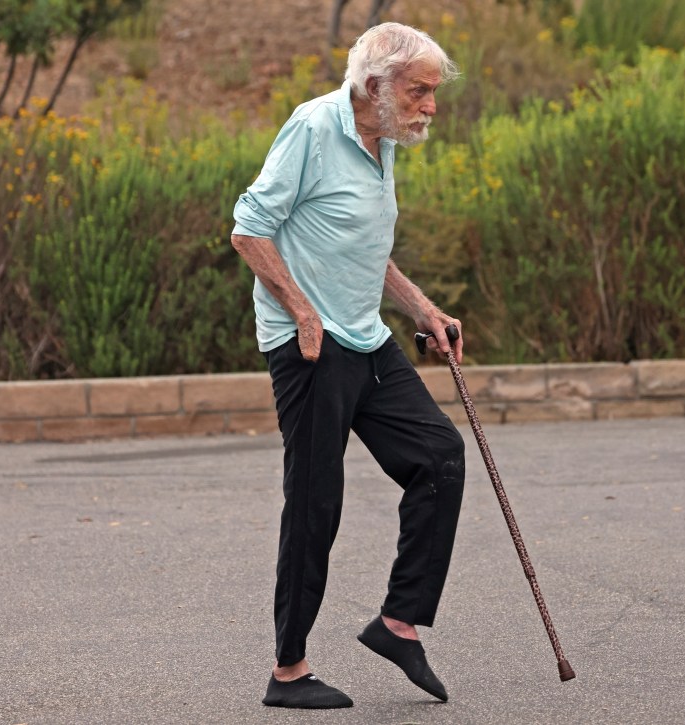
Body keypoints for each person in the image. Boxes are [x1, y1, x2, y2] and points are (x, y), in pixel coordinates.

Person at [230, 22, 466, 709]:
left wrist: (422, 308)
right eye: (419, 91)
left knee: (439, 456)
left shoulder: (381, 140)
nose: (430, 106)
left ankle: (398, 623)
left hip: (364, 338)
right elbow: (250, 227)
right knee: (315, 501)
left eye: (431, 92)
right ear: (374, 86)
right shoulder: (312, 129)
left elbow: (360, 245)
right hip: (307, 347)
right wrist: (303, 311)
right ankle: (289, 670)